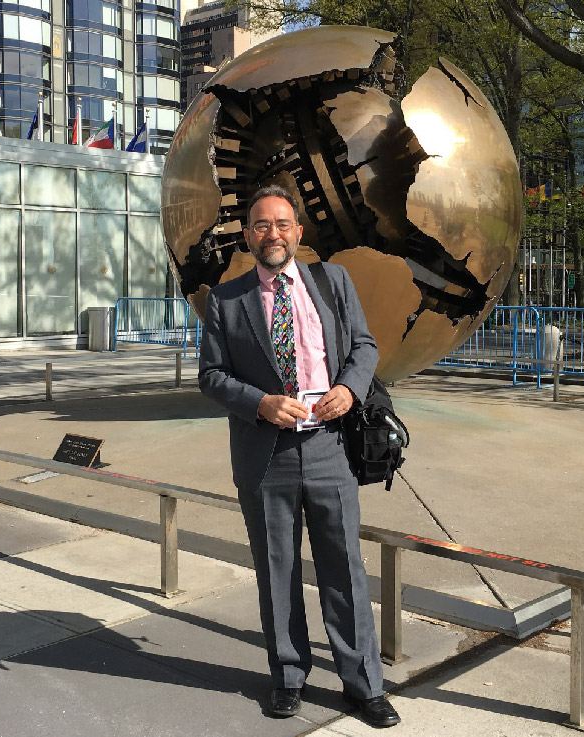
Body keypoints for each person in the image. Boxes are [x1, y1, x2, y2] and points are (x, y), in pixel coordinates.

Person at [198, 185, 401, 728]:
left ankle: (363, 685)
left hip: (330, 447)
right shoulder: (227, 300)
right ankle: (288, 675)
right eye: (261, 225)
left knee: (344, 569)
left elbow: (364, 346)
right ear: (248, 236)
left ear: (298, 232)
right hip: (267, 456)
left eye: (282, 224)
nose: (273, 234)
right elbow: (211, 376)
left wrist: (351, 390)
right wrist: (259, 403)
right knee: (277, 570)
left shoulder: (332, 282)